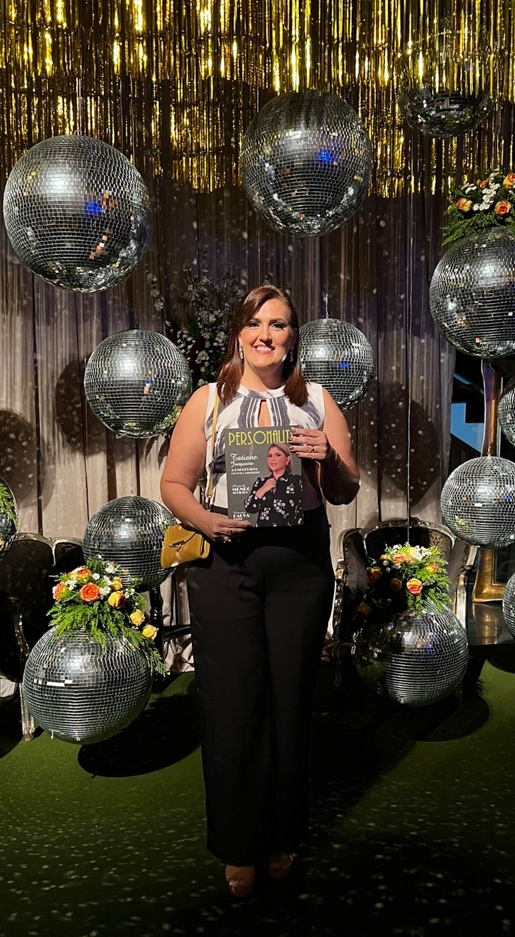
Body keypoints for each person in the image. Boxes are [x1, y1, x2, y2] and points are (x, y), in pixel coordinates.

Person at [160, 284, 360, 898]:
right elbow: (174, 483)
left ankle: (283, 835)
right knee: (231, 706)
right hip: (227, 564)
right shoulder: (209, 400)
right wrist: (206, 520)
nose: (265, 335)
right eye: (255, 323)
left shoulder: (318, 401)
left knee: (291, 703)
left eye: (278, 324)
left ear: (293, 337)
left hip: (299, 565)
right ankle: (238, 844)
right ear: (239, 334)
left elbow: (346, 491)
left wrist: (327, 458)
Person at [244, 442, 303, 525]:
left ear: (287, 460)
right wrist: (263, 489)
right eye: (270, 455)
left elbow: (301, 513)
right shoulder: (261, 482)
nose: (273, 459)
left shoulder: (297, 481)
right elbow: (249, 508)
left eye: (278, 455)